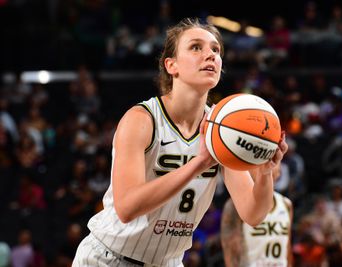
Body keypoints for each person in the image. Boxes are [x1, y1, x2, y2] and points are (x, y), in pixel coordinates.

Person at [72, 17, 288, 267]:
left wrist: (264, 175)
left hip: (168, 262)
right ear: (171, 65)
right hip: (109, 258)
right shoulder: (141, 119)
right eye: (196, 47)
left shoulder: (224, 130)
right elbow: (127, 207)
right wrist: (199, 164)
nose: (210, 55)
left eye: (215, 50)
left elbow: (253, 214)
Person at [221, 162, 293, 267]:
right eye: (261, 161)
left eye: (274, 161)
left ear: (280, 172)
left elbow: (287, 247)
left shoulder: (286, 204)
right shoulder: (235, 204)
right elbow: (231, 249)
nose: (269, 164)